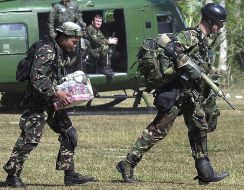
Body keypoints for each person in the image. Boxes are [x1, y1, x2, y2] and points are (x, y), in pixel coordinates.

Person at [116, 3, 229, 185]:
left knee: (199, 130)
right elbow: (166, 44)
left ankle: (205, 173)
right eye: (219, 23)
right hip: (177, 93)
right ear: (210, 21)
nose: (221, 27)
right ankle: (127, 164)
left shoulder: (203, 40)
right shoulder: (190, 36)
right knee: (158, 131)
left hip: (192, 95)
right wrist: (183, 61)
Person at [3, 22, 94, 188]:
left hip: (51, 102)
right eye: (73, 41)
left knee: (69, 134)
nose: (75, 45)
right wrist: (56, 92)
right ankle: (12, 175)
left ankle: (70, 175)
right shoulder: (47, 50)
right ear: (63, 37)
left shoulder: (58, 50)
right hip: (39, 102)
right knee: (30, 138)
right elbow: (36, 77)